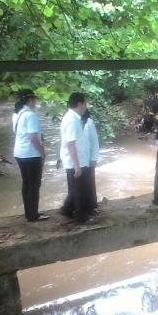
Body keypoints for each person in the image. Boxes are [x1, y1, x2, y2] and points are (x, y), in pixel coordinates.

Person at [12, 90, 48, 222]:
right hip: (31, 153)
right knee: (34, 184)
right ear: (30, 100)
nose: (36, 102)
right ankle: (33, 215)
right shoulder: (31, 115)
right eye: (34, 99)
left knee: (26, 183)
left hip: (19, 153)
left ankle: (29, 213)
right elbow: (33, 137)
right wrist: (42, 152)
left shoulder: (16, 114)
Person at [59, 92, 95, 224]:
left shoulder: (73, 118)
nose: (86, 106)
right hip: (75, 161)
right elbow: (71, 143)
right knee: (79, 190)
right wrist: (77, 166)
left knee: (77, 188)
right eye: (85, 103)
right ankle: (81, 217)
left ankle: (66, 209)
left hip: (77, 160)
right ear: (80, 104)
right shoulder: (72, 120)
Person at [81, 109, 100, 215]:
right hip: (78, 161)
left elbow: (94, 141)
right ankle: (79, 206)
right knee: (78, 185)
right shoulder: (72, 121)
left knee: (89, 184)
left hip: (88, 159)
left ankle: (91, 206)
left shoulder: (89, 122)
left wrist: (94, 158)